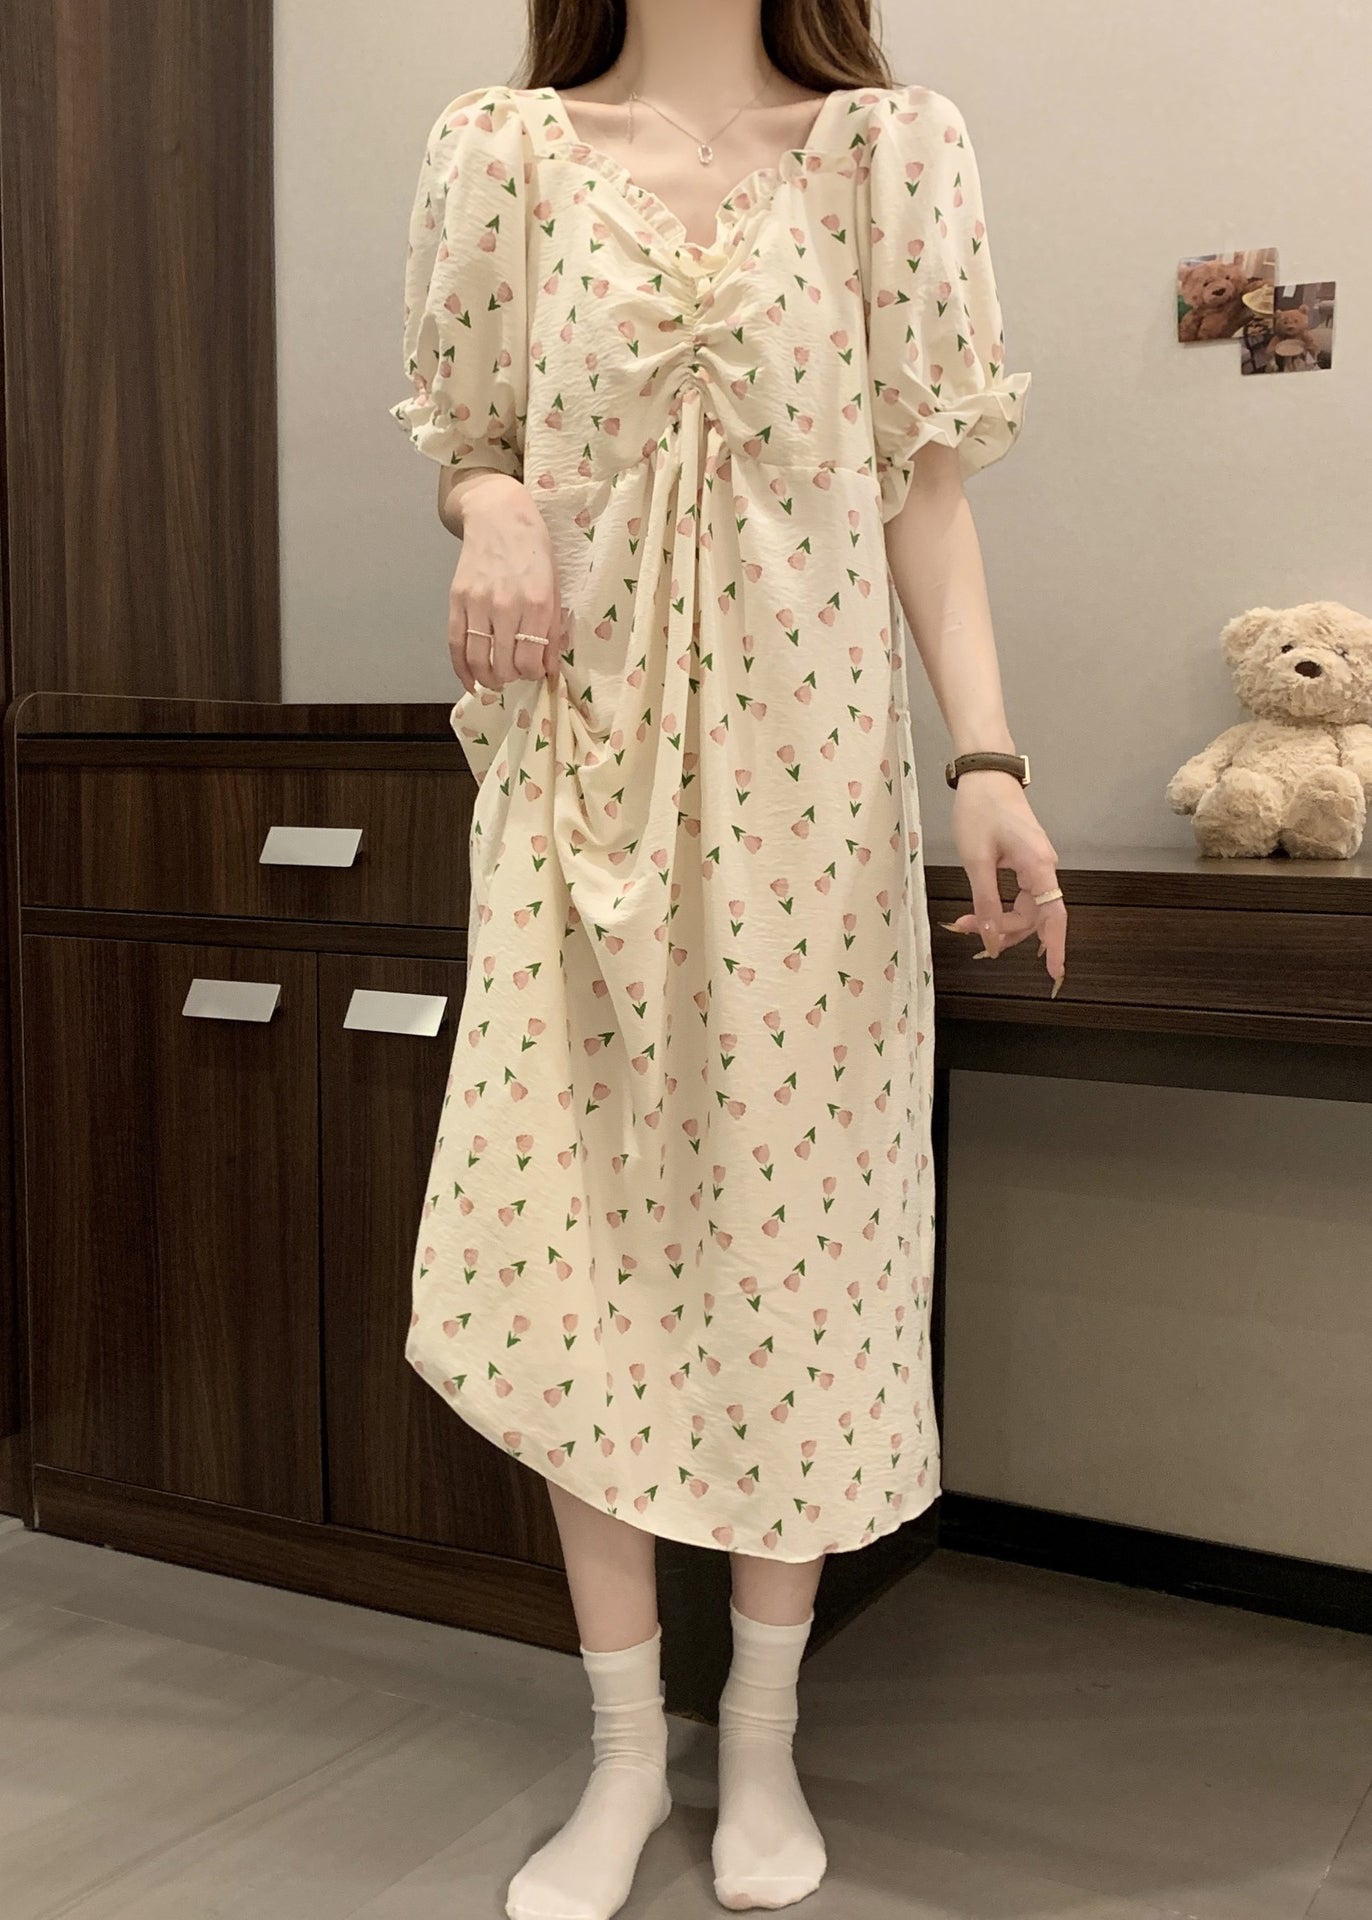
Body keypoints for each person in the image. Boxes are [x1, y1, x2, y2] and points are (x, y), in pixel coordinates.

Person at [391, 2, 1066, 1913]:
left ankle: (759, 1744)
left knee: (803, 1247)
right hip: (579, 789)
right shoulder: (502, 153)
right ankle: (625, 1761)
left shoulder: (892, 153)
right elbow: (471, 441)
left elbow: (926, 490)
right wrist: (490, 499)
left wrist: (990, 761)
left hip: (809, 801)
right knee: (573, 1239)